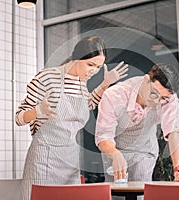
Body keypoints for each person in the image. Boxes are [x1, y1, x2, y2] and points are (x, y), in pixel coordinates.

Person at [15, 36, 128, 200]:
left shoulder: (81, 83)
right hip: (44, 157)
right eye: (90, 64)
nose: (93, 71)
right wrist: (38, 111)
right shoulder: (47, 78)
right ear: (77, 58)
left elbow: (88, 104)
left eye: (98, 67)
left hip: (70, 158)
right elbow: (19, 117)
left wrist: (105, 84)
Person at [95, 64, 179, 183]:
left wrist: (178, 170)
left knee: (140, 190)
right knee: (115, 192)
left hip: (144, 150)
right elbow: (103, 136)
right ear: (146, 80)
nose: (156, 101)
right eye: (154, 93)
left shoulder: (169, 98)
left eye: (163, 98)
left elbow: (173, 132)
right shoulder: (115, 95)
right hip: (114, 149)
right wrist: (115, 155)